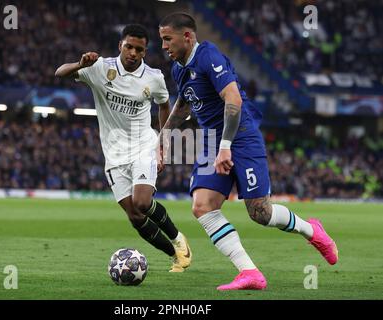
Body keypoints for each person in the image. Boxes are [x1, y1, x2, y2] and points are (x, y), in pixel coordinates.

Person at [158, 13, 338, 289]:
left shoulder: (208, 56)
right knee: (202, 206)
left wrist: (226, 147)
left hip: (240, 134)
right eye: (161, 40)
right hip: (210, 139)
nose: (164, 46)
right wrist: (165, 136)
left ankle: (312, 230)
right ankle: (250, 273)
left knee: (260, 213)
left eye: (167, 39)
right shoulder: (178, 69)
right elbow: (184, 102)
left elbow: (233, 98)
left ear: (187, 36)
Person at [55, 24, 192, 272]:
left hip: (143, 146)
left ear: (145, 52)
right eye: (129, 47)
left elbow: (163, 105)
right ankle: (175, 254)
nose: (133, 53)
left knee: (141, 202)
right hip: (114, 154)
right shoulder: (99, 68)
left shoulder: (154, 78)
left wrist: (162, 144)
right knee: (134, 216)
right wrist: (79, 64)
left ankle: (177, 237)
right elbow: (59, 73)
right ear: (120, 45)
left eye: (139, 49)